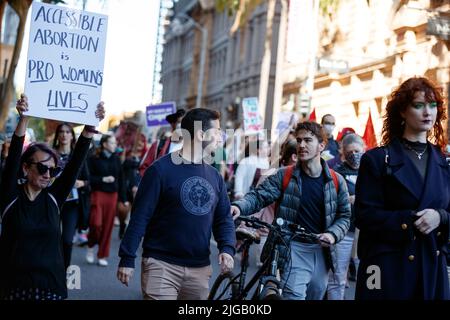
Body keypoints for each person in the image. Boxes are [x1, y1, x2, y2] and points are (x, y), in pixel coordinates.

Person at [117, 108, 236, 300]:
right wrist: (127, 257)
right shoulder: (160, 170)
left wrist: (227, 249)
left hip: (200, 271)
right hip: (161, 265)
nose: (221, 137)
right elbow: (140, 216)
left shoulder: (215, 176)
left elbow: (223, 218)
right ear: (200, 134)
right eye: (217, 132)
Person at [0, 94, 105, 300]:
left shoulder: (54, 198)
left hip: (50, 289)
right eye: (41, 168)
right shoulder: (10, 196)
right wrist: (24, 118)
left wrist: (90, 128)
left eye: (53, 170)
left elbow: (75, 164)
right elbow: (13, 156)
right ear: (26, 168)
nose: (47, 175)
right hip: (14, 290)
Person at [231, 121, 351, 300]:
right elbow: (259, 196)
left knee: (316, 294)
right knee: (293, 296)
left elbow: (344, 216)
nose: (301, 145)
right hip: (292, 247)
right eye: (299, 140)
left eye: (308, 140)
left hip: (322, 250)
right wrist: (239, 206)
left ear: (321, 146)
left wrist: (332, 235)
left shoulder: (336, 180)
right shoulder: (284, 175)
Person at [354, 76, 450, 300]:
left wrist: (441, 217)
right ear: (403, 112)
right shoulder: (377, 159)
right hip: (387, 268)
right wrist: (410, 219)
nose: (428, 112)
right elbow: (364, 216)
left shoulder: (444, 162)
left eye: (432, 105)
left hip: (431, 265)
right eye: (419, 105)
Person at [327, 133, 364, 300]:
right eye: (350, 151)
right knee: (337, 276)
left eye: (357, 150)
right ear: (343, 152)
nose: (354, 154)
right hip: (344, 231)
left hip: (366, 232)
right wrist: (345, 199)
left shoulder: (371, 171)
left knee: (371, 276)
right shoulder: (337, 172)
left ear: (364, 150)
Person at [52, 123, 91, 269]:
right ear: (57, 135)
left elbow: (88, 181)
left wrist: (79, 183)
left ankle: (64, 270)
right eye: (61, 131)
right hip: (53, 202)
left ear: (72, 135)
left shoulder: (78, 155)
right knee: (51, 238)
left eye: (68, 132)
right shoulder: (50, 153)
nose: (64, 134)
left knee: (67, 240)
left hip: (72, 204)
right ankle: (52, 269)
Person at [86, 134, 128, 267]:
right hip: (98, 194)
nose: (115, 145)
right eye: (112, 143)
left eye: (115, 143)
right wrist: (102, 179)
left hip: (112, 195)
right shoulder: (93, 158)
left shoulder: (116, 159)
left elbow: (121, 180)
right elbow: (88, 178)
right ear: (104, 144)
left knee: (108, 227)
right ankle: (91, 245)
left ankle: (102, 254)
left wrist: (124, 199)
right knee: (96, 224)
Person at [138, 108, 185, 176]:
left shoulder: (191, 149)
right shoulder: (158, 145)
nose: (181, 126)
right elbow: (144, 168)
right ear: (173, 125)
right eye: (179, 122)